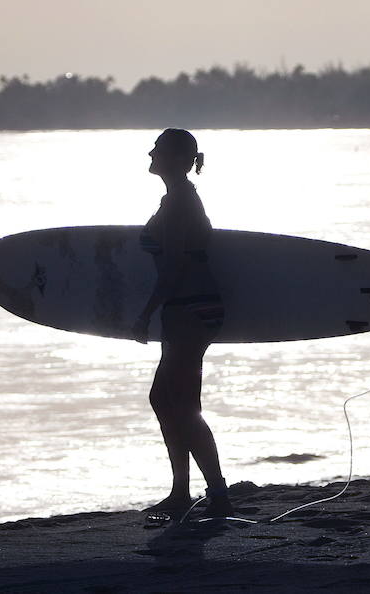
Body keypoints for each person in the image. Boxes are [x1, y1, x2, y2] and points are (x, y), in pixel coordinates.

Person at [132, 128, 232, 518]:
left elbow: (174, 266)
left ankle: (217, 494)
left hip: (192, 308)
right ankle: (182, 492)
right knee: (165, 398)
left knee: (183, 403)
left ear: (176, 159)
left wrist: (145, 312)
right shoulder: (175, 198)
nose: (150, 153)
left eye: (157, 148)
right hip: (184, 307)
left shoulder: (179, 203)